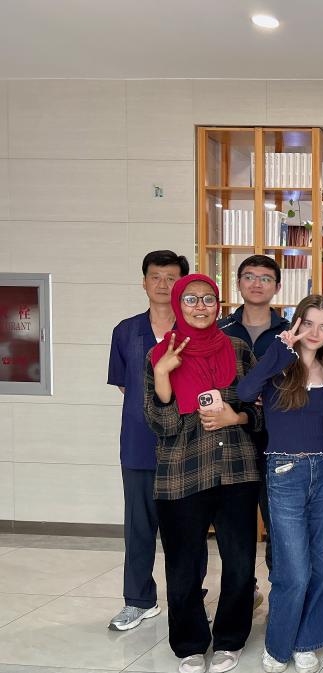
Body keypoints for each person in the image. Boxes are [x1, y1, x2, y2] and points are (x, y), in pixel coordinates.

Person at [144, 274, 263, 673]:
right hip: (180, 475)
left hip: (237, 473)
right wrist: (164, 375)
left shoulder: (239, 350)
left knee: (241, 562)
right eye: (191, 300)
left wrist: (238, 415)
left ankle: (230, 639)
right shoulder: (159, 354)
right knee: (182, 565)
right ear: (179, 305)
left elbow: (263, 411)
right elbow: (160, 426)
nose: (200, 307)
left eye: (208, 299)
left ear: (218, 305)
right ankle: (191, 643)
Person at [236, 295, 323, 673]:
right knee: (291, 568)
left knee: (318, 564)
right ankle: (279, 642)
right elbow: (245, 393)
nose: (315, 332)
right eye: (308, 323)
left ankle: (306, 641)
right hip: (284, 472)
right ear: (295, 324)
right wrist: (280, 351)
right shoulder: (280, 365)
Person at [108, 249, 191, 632]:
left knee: (186, 530)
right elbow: (127, 387)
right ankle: (139, 600)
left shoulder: (197, 329)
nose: (162, 284)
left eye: (171, 277)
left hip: (188, 446)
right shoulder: (126, 331)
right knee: (139, 527)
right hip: (140, 444)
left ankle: (188, 601)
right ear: (144, 282)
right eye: (155, 276)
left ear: (182, 284)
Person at [218, 254, 290, 602]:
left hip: (277, 441)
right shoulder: (219, 332)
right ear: (239, 283)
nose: (257, 283)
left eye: (265, 278)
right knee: (236, 524)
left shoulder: (291, 334)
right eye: (249, 276)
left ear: (277, 287)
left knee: (278, 522)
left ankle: (280, 591)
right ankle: (244, 592)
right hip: (230, 440)